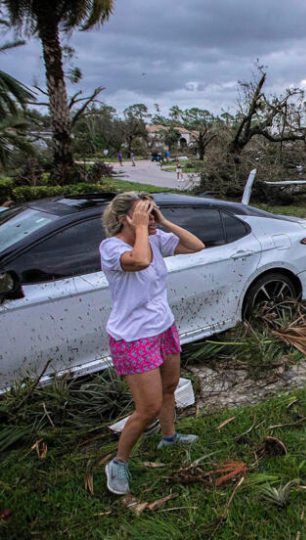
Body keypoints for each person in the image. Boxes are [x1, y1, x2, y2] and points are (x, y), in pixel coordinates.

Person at [100, 192, 205, 495]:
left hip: (163, 326)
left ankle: (169, 436)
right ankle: (118, 462)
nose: (150, 216)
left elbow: (196, 245)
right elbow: (140, 260)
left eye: (151, 211)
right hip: (134, 337)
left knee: (170, 387)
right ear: (125, 219)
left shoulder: (155, 239)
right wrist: (144, 229)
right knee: (148, 408)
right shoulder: (111, 247)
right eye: (143, 212)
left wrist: (162, 221)